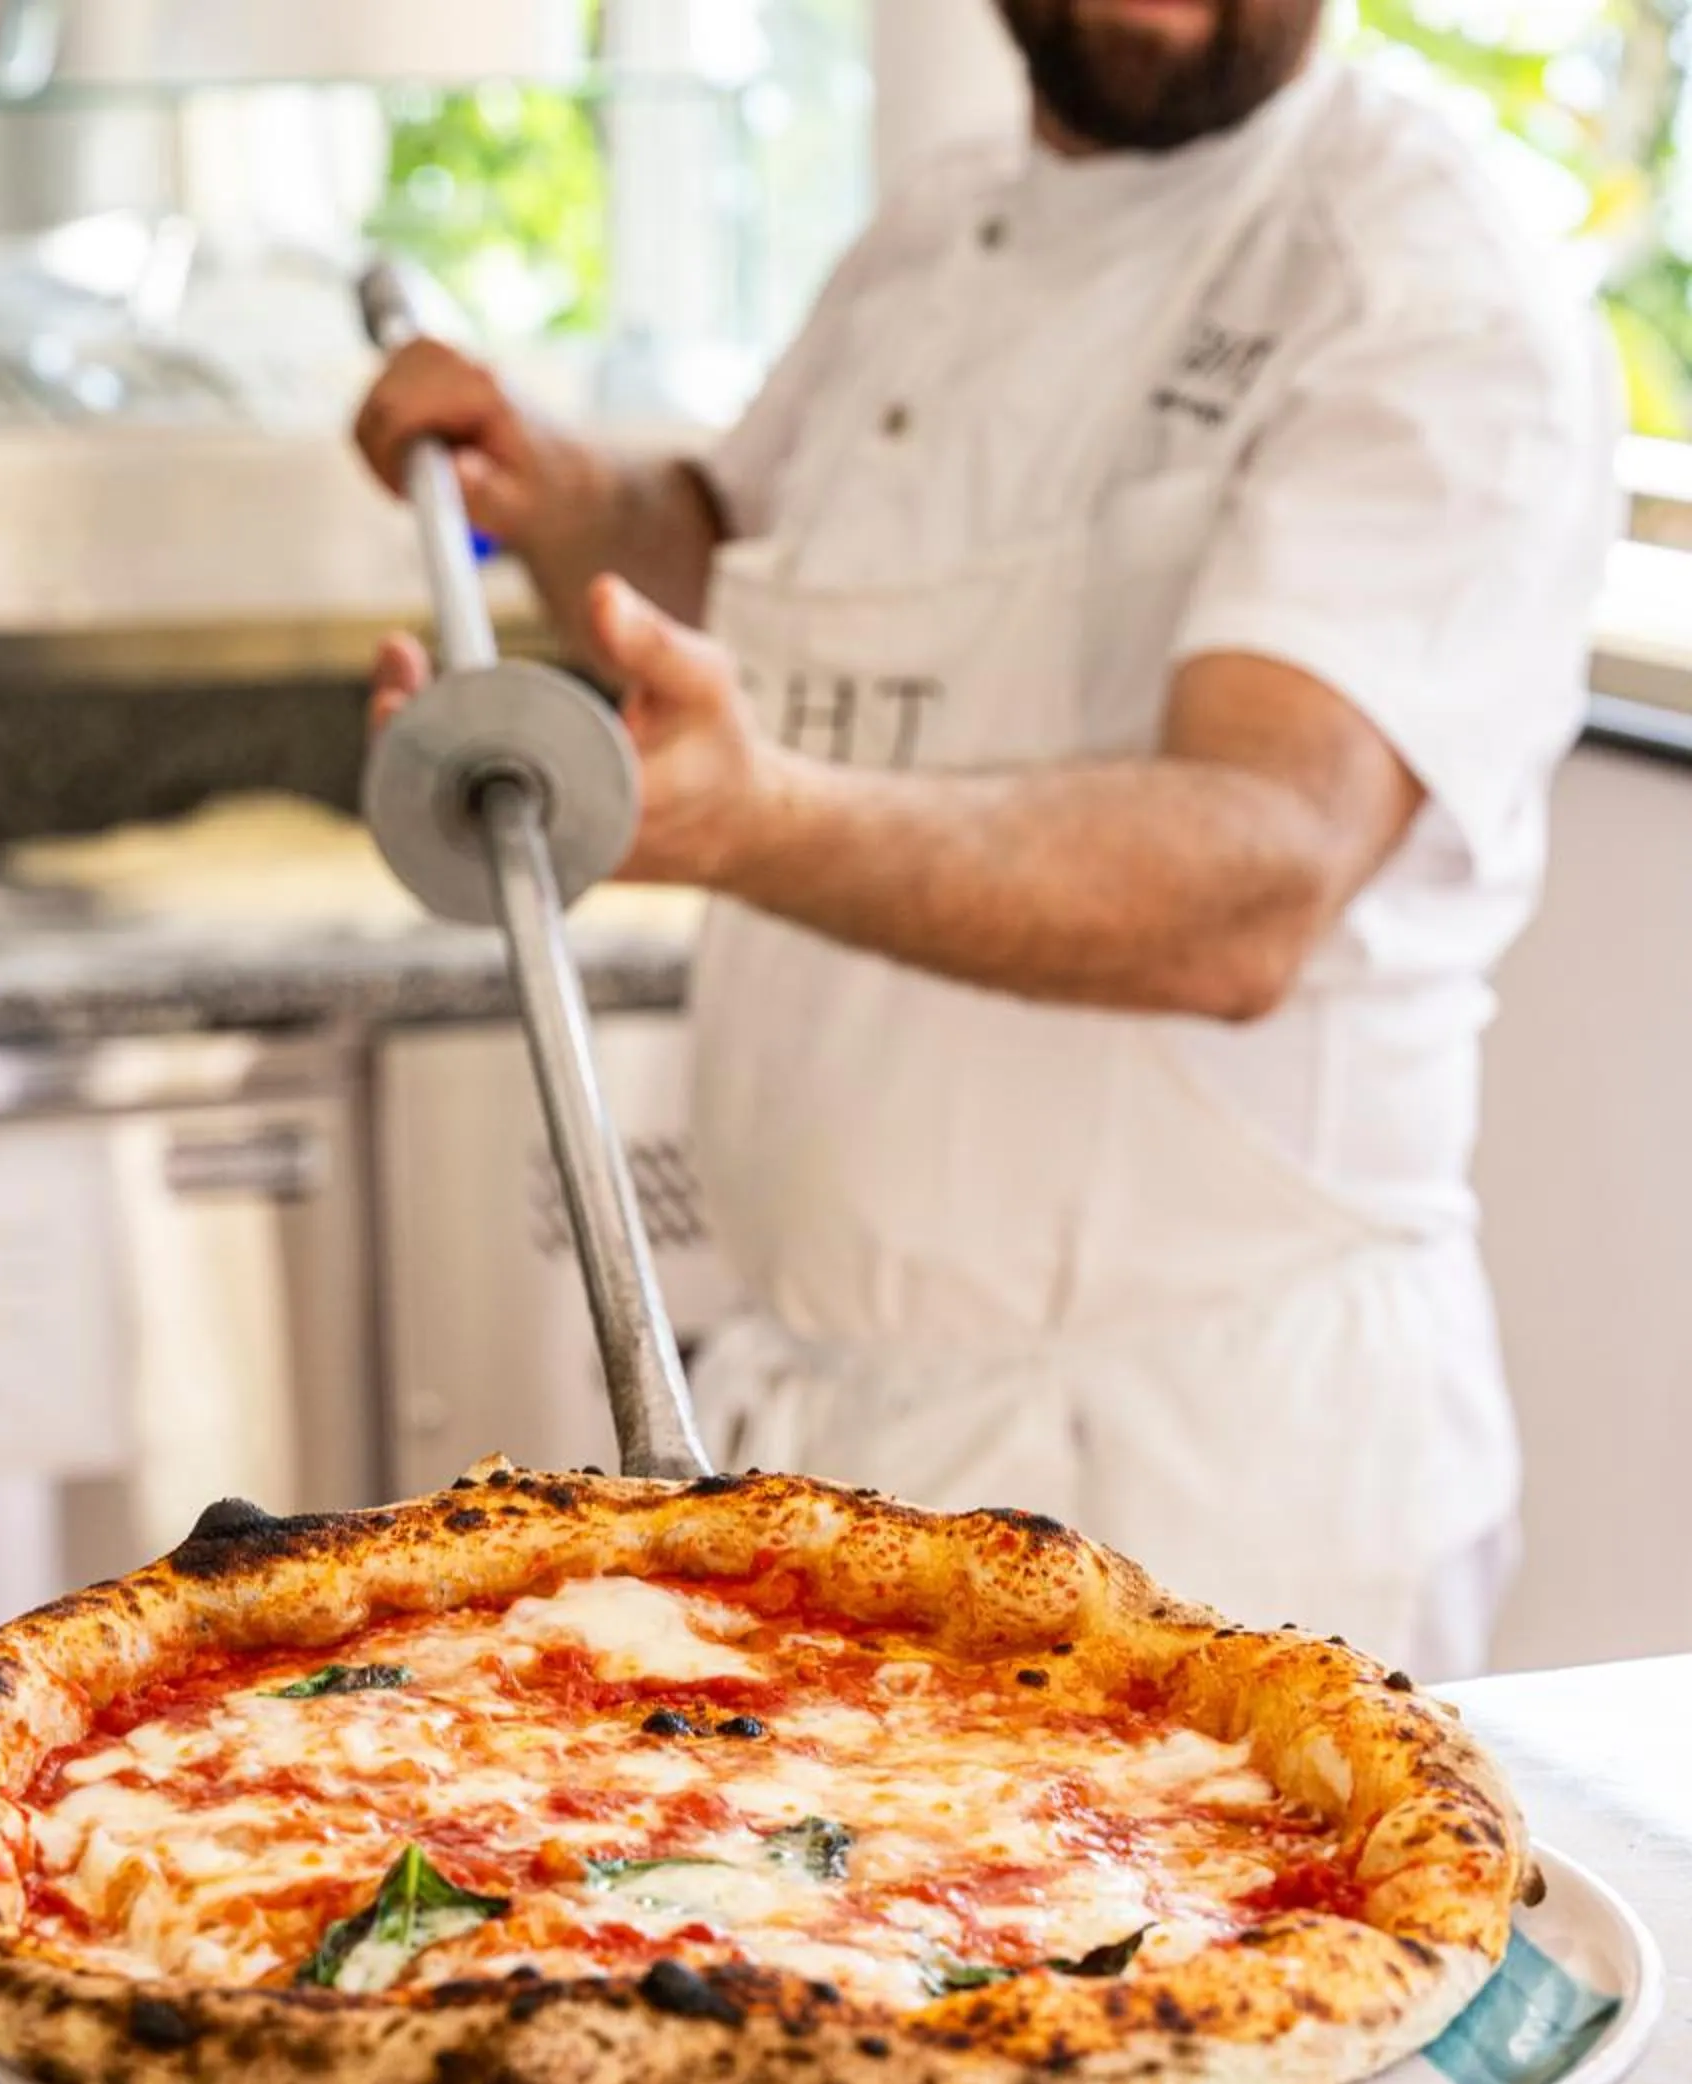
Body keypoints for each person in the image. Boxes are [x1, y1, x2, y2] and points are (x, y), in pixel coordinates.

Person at [355, 0, 1616, 1675]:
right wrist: (545, 486)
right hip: (840, 1435)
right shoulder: (933, 230)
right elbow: (738, 563)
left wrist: (758, 824)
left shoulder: (1420, 291)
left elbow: (1250, 883)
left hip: (1201, 1481)